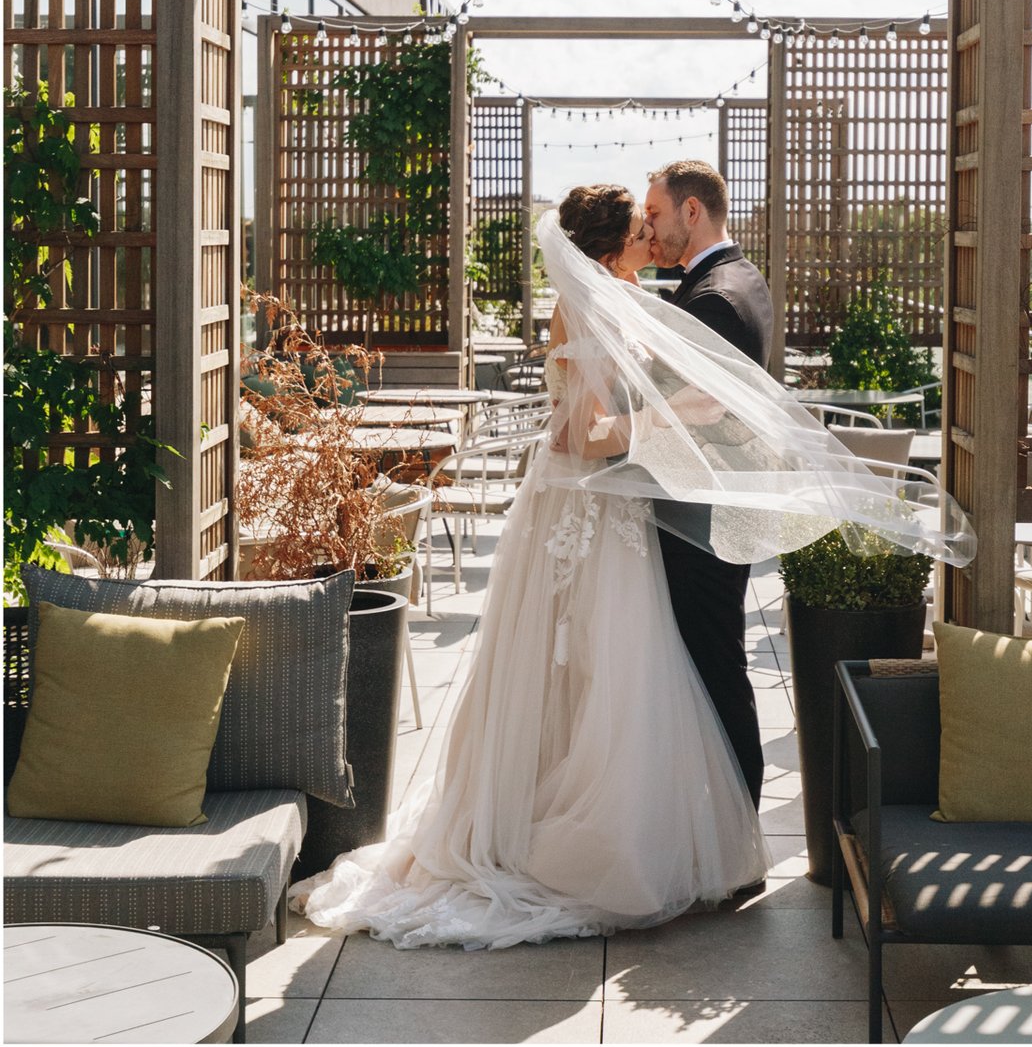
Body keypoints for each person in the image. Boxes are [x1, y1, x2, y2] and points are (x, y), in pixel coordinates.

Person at [295, 185, 971, 948]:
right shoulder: (584, 308)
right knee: (597, 669)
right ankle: (587, 832)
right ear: (614, 244)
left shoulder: (621, 295)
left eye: (657, 218)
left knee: (617, 674)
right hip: (587, 515)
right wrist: (670, 414)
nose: (654, 233)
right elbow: (582, 436)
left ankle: (629, 824)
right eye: (641, 226)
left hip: (616, 514)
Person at [640, 159, 777, 804]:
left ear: (691, 212)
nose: (650, 227)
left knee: (716, 666)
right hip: (708, 505)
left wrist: (620, 427)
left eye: (657, 213)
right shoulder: (737, 279)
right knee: (709, 663)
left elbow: (702, 405)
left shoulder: (717, 297)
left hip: (704, 512)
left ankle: (736, 828)